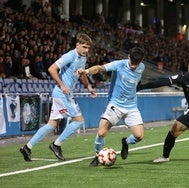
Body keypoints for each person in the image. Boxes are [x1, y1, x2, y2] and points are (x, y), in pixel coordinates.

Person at [19, 33, 97, 162]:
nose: (87, 50)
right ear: (77, 45)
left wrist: (88, 86)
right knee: (78, 120)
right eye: (84, 47)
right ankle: (56, 144)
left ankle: (27, 147)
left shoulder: (82, 57)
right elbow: (52, 69)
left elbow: (81, 73)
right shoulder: (70, 55)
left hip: (63, 94)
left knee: (52, 124)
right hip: (62, 94)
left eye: (88, 48)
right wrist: (62, 85)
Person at [79, 47, 146, 167]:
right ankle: (98, 155)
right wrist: (87, 71)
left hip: (131, 106)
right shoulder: (119, 64)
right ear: (129, 57)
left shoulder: (142, 67)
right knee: (101, 133)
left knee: (139, 136)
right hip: (115, 105)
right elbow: (100, 68)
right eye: (132, 63)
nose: (134, 67)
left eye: (137, 64)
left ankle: (125, 142)